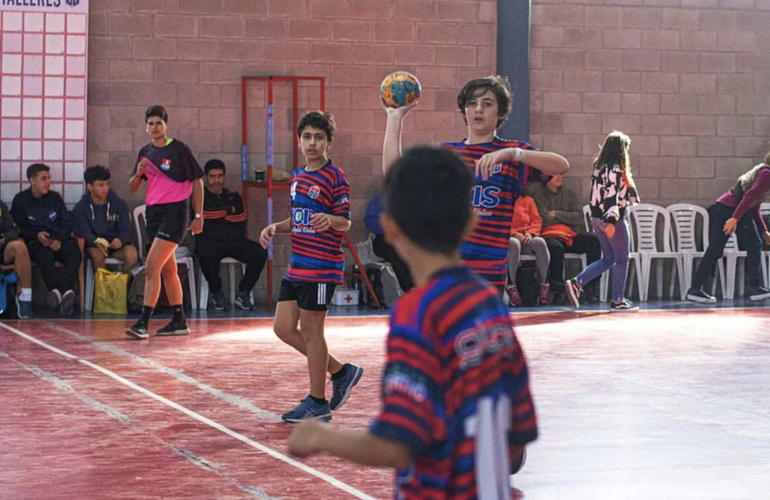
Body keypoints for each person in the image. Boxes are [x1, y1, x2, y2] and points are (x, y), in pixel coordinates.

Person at [288, 146, 537, 499]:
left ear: (389, 228)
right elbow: (517, 439)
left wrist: (322, 437)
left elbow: (400, 444)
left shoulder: (417, 313)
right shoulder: (491, 305)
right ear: (471, 221)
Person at [382, 75, 569, 291]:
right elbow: (394, 175)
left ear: (500, 113)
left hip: (490, 275)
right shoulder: (448, 154)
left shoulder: (512, 155)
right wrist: (394, 118)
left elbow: (561, 166)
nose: (478, 109)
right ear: (464, 111)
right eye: (472, 103)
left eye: (487, 104)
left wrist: (514, 153)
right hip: (447, 270)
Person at [259, 111, 363, 422]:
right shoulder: (296, 177)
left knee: (312, 330)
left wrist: (330, 220)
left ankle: (317, 402)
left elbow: (345, 221)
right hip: (297, 266)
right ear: (299, 140)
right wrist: (275, 227)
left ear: (328, 142)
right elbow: (298, 218)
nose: (312, 142)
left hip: (321, 266)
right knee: (283, 328)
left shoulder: (335, 176)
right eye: (307, 137)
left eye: (319, 137)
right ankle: (341, 371)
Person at [126, 105, 204, 339]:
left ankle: (143, 322)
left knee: (152, 267)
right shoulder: (145, 152)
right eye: (150, 123)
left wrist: (198, 215)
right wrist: (139, 173)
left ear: (166, 125)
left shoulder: (179, 149)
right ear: (145, 127)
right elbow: (132, 187)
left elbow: (197, 181)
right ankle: (179, 320)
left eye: (158, 123)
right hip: (154, 214)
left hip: (176, 213)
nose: (154, 127)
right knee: (169, 270)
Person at [565, 131, 640, 312]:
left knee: (608, 258)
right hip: (612, 219)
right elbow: (612, 196)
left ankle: (577, 282)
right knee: (622, 259)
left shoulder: (599, 168)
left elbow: (597, 195)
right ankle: (617, 300)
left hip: (597, 218)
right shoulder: (616, 170)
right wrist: (612, 220)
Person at [686, 150, 770, 303]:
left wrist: (764, 231)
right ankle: (754, 287)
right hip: (730, 210)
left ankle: (695, 289)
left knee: (716, 248)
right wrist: (734, 218)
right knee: (753, 243)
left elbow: (754, 205)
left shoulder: (763, 171)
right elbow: (748, 197)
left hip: (725, 207)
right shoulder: (766, 174)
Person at [196, 158, 267, 311]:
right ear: (206, 177)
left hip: (234, 241)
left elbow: (242, 217)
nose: (216, 181)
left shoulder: (234, 197)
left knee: (260, 252)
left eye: (220, 176)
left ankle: (243, 292)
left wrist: (218, 215)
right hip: (210, 242)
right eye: (212, 176)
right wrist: (227, 213)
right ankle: (216, 293)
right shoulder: (200, 198)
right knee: (205, 253)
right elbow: (203, 216)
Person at [11, 163, 81, 317]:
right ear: (32, 180)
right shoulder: (20, 200)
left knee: (74, 252)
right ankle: (64, 291)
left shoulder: (55, 198)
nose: (48, 182)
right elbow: (18, 228)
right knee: (44, 255)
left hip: (57, 240)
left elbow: (66, 222)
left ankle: (59, 292)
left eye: (49, 178)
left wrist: (59, 240)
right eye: (44, 179)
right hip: (36, 242)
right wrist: (36, 236)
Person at [527, 174, 602, 304]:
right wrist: (566, 217)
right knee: (555, 247)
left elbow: (579, 216)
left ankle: (590, 287)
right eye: (556, 174)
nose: (560, 177)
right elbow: (544, 218)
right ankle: (558, 291)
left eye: (561, 174)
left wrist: (556, 213)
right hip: (548, 235)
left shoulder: (569, 193)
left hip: (568, 234)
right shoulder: (537, 192)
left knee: (593, 240)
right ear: (547, 176)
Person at [73, 165, 139, 275]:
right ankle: (103, 290)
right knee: (97, 255)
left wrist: (120, 240)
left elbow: (126, 230)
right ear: (90, 186)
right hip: (95, 246)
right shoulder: (81, 208)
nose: (105, 188)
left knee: (132, 254)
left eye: (107, 184)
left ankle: (126, 288)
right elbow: (84, 232)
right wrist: (96, 241)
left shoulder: (119, 204)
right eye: (100, 185)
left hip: (117, 246)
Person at [506, 194, 551, 306]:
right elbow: (498, 222)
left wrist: (530, 234)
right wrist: (513, 233)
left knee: (540, 242)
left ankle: (544, 284)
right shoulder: (502, 199)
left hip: (526, 236)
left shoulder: (528, 200)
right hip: (508, 238)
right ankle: (511, 285)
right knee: (514, 243)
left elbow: (536, 221)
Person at [363, 194, 413, 292]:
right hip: (386, 239)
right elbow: (369, 221)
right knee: (397, 253)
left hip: (411, 240)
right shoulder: (381, 199)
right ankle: (409, 288)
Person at [0, 199, 32, 318]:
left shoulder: (1, 205)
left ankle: (25, 300)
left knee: (19, 247)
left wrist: (4, 239)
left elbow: (13, 230)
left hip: (2, 249)